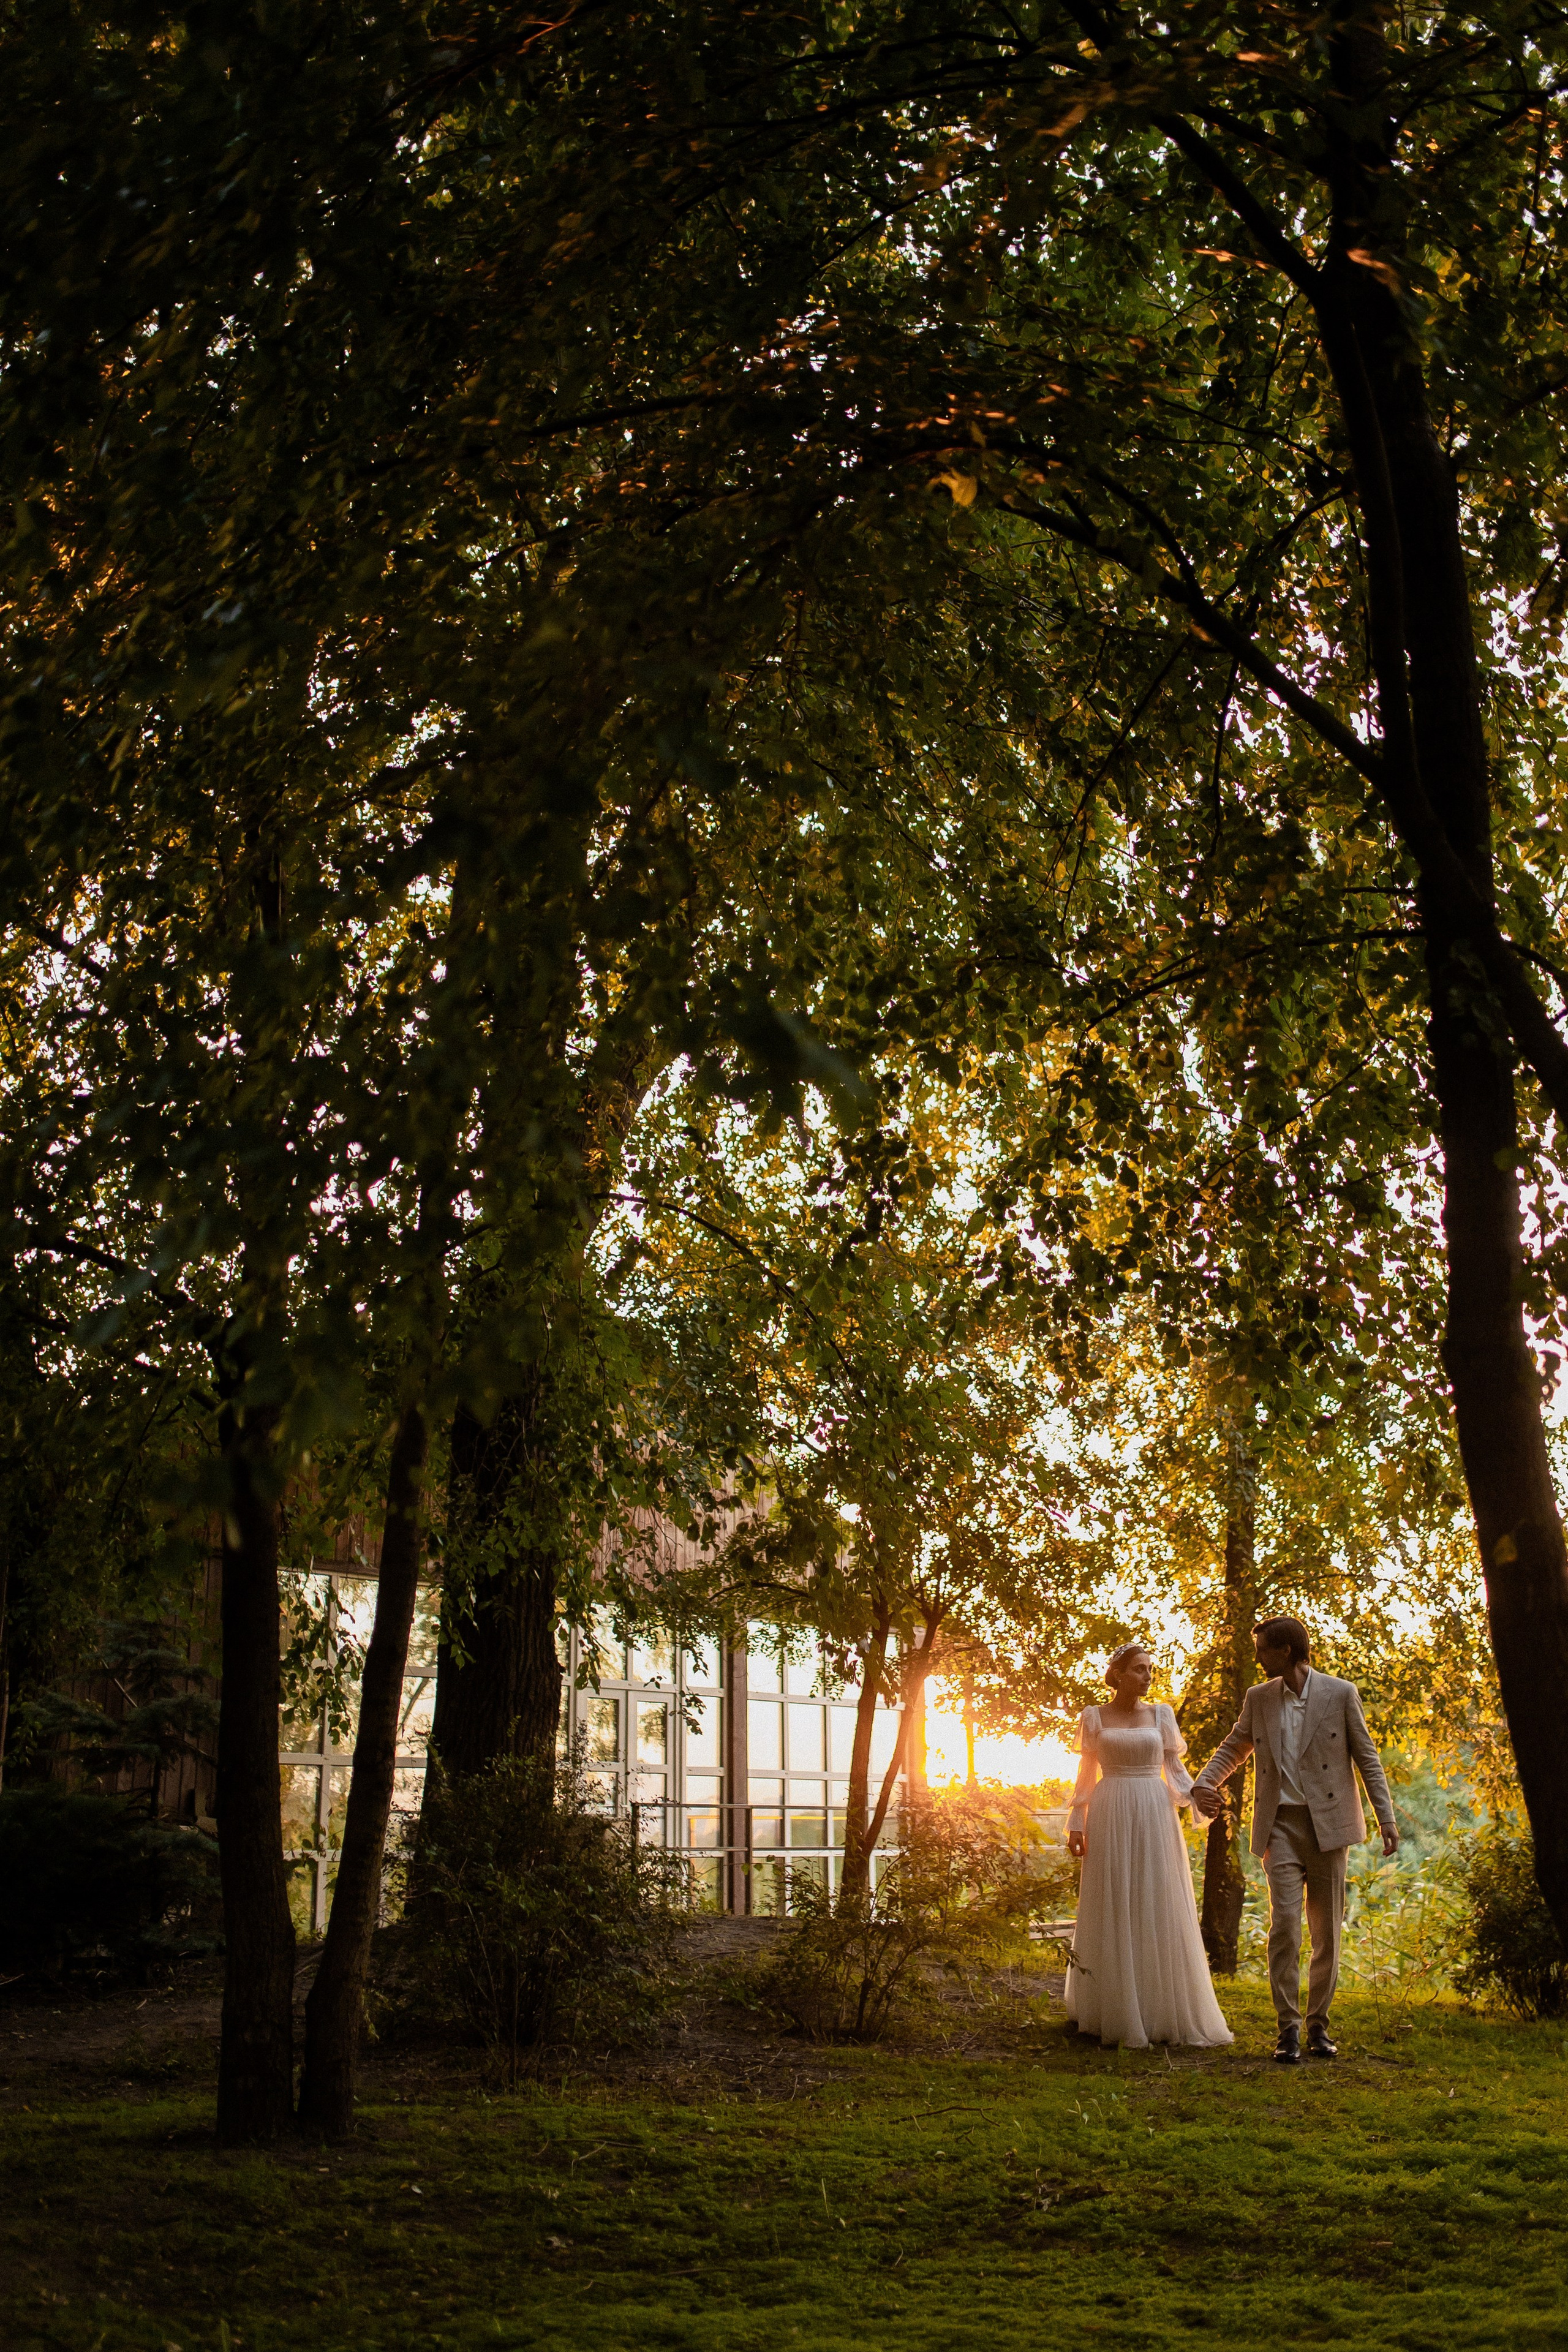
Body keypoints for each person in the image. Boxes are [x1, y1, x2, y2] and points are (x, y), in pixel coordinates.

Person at [1189, 1615, 1398, 2065]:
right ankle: (1288, 2029)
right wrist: (1204, 1782)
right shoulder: (1259, 1697)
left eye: (1263, 1648)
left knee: (1326, 1933)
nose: (1257, 1656)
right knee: (1284, 1926)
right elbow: (1235, 1746)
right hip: (1279, 1825)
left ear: (1286, 1650)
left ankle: (1319, 2025)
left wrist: (1387, 1818)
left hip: (1328, 1827)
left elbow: (1367, 1757)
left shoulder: (1340, 1693)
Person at [1065, 1641, 1232, 2050]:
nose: (1148, 1676)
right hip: (1109, 1809)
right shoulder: (1093, 1717)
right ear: (1118, 1673)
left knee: (1156, 1898)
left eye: (1150, 1670)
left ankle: (1160, 2007)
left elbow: (1174, 1771)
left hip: (1154, 1811)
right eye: (1140, 1669)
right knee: (1113, 1899)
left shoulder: (1162, 1715)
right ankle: (1113, 2006)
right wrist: (1076, 1823)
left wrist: (1197, 1795)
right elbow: (1086, 1774)